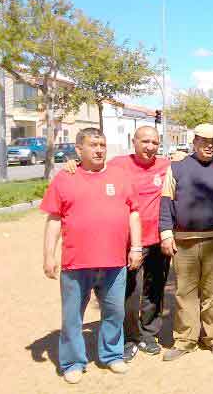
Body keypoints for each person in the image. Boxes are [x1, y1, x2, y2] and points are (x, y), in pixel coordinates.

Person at [41, 127, 142, 384]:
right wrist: (48, 255)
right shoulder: (65, 178)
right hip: (77, 264)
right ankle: (73, 361)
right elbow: (54, 218)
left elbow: (133, 213)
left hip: (114, 263)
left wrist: (136, 247)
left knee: (114, 312)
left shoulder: (120, 176)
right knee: (72, 316)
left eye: (102, 145)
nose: (99, 150)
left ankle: (112, 355)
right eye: (93, 145)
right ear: (78, 150)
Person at [64, 126, 172, 361]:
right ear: (134, 142)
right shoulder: (118, 164)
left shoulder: (166, 165)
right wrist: (72, 162)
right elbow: (90, 167)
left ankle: (148, 334)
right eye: (144, 141)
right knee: (130, 293)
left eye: (154, 142)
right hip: (131, 242)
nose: (150, 147)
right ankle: (130, 337)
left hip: (158, 240)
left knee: (155, 291)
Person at [159, 123, 213, 361]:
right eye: (203, 141)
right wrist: (166, 233)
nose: (209, 146)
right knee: (185, 291)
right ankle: (185, 339)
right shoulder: (176, 168)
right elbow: (166, 202)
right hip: (184, 240)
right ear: (194, 141)